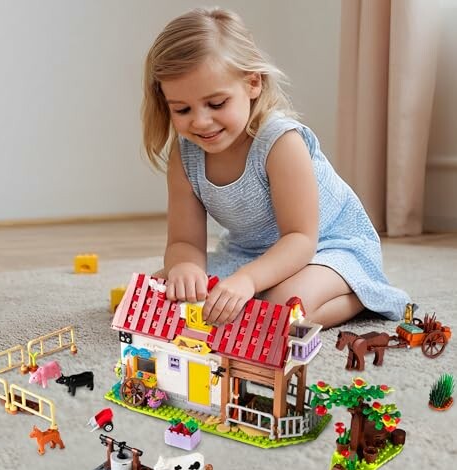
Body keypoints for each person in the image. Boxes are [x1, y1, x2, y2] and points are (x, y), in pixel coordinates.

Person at [141, 7, 410, 329]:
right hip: (252, 254)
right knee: (155, 293)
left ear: (252, 83)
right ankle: (258, 291)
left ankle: (363, 294)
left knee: (280, 308)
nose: (200, 121)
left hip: (328, 248)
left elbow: (300, 238)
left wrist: (247, 281)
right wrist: (184, 268)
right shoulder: (185, 154)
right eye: (182, 109)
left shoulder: (280, 142)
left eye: (216, 104)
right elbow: (184, 240)